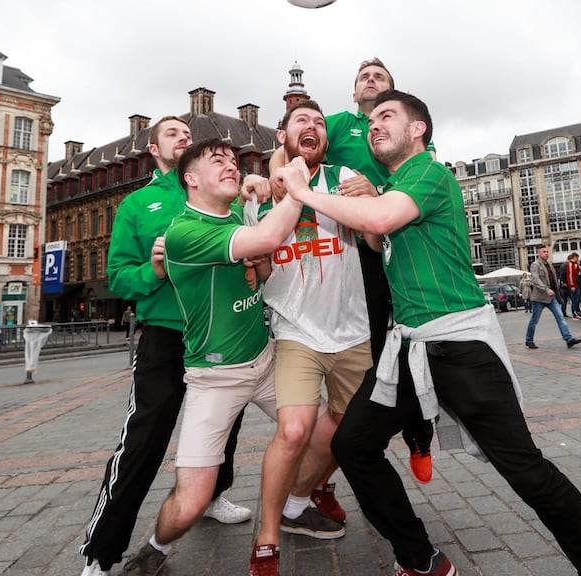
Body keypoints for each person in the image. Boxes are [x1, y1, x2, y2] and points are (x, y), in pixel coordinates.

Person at [282, 90, 581, 576]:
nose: (376, 125)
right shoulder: (391, 184)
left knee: (525, 470)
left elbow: (382, 220)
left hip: (461, 345)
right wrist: (360, 204)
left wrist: (303, 191)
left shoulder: (427, 171)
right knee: (353, 444)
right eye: (373, 119)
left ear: (418, 129)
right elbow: (376, 233)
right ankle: (421, 559)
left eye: (388, 116)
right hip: (410, 347)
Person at [79, 118, 251, 576]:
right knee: (143, 439)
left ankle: (213, 496)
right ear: (153, 149)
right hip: (165, 334)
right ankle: (102, 550)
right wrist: (152, 272)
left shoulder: (221, 193)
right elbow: (117, 276)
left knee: (225, 425)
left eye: (187, 134)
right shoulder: (138, 204)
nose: (185, 138)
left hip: (219, 331)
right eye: (174, 134)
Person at [135, 139, 308, 576]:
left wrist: (255, 188)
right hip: (215, 376)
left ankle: (301, 502)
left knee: (320, 432)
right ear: (190, 179)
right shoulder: (182, 232)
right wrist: (300, 190)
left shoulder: (233, 215)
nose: (231, 166)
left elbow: (263, 270)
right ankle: (154, 548)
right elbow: (269, 235)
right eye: (218, 162)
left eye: (234, 161)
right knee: (192, 501)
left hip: (264, 360)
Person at [268, 57, 435, 496]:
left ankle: (420, 436)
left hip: (399, 240)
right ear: (354, 91)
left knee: (412, 347)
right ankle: (323, 479)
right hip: (356, 250)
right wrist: (276, 183)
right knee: (376, 363)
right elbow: (286, 150)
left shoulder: (405, 127)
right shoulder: (338, 124)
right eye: (364, 77)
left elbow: (416, 181)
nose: (372, 81)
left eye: (380, 77)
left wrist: (376, 193)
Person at [244, 100, 370, 545]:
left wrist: (372, 196)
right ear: (282, 135)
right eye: (302, 121)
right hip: (294, 329)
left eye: (319, 122)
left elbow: (374, 237)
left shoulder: (346, 180)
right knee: (294, 429)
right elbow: (258, 268)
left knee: (349, 426)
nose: (313, 126)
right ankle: (267, 536)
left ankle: (299, 502)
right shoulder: (259, 197)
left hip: (352, 330)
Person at [526, 245, 581, 349]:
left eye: (547, 252)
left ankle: (568, 339)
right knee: (534, 320)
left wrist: (558, 294)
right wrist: (546, 289)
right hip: (540, 298)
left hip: (552, 297)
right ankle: (529, 340)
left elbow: (554, 281)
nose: (546, 254)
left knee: (560, 317)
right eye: (544, 252)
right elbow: (535, 279)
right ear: (538, 253)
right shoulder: (535, 265)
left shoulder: (550, 265)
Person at [558, 251, 580, 319]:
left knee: (565, 300)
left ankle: (563, 312)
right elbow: (567, 275)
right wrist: (564, 282)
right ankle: (575, 312)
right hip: (567, 285)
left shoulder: (565, 264)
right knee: (573, 299)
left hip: (566, 284)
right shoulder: (568, 265)